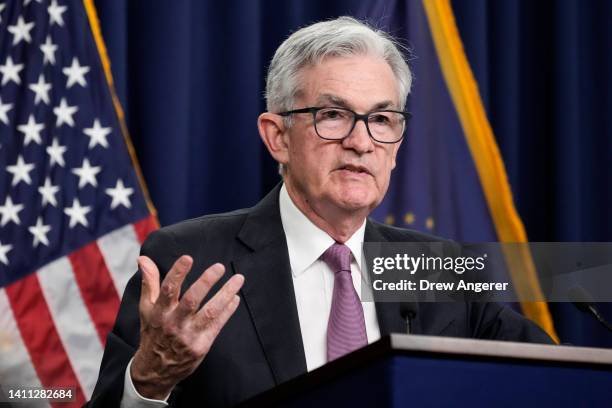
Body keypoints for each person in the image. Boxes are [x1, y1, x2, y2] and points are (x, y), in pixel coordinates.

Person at [88, 16, 552, 407]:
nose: (361, 141)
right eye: (333, 115)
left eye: (382, 119)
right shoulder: (190, 261)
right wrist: (150, 378)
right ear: (277, 137)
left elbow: (557, 379)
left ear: (396, 146)